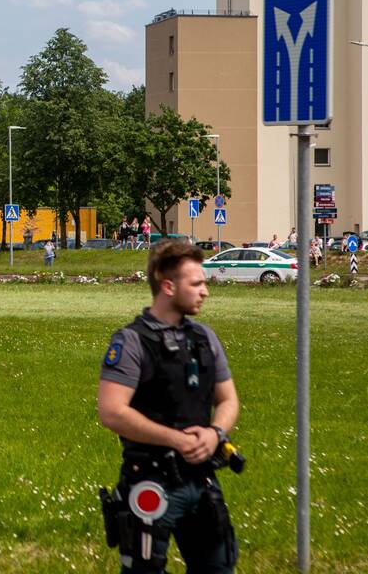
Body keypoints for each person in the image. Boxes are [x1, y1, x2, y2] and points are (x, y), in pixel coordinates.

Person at [97, 240, 240, 573]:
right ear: (167, 286)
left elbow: (229, 399)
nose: (205, 291)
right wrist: (176, 440)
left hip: (202, 482)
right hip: (151, 480)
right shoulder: (131, 342)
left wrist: (215, 433)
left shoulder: (205, 338)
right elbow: (111, 411)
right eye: (197, 283)